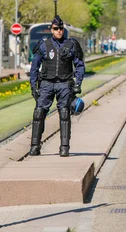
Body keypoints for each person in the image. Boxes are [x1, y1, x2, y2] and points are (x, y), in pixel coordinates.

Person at [29, 16, 85, 157]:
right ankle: (35, 146)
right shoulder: (43, 45)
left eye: (60, 28)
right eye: (56, 29)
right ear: (51, 30)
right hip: (46, 84)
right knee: (39, 113)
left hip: (65, 84)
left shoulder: (71, 44)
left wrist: (78, 83)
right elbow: (34, 67)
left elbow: (79, 65)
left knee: (65, 114)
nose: (59, 31)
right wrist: (33, 86)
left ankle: (64, 147)